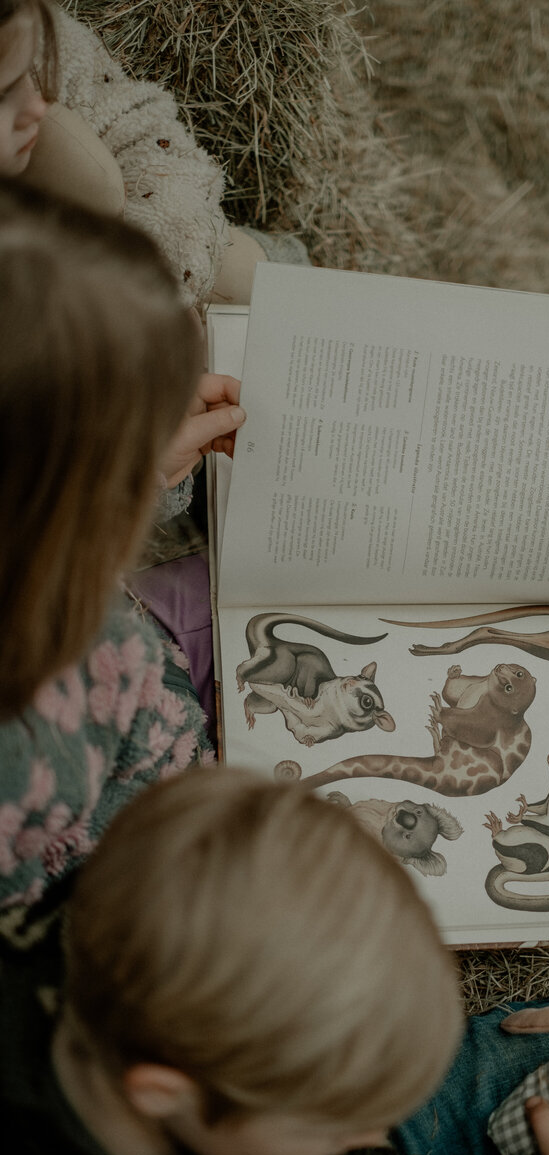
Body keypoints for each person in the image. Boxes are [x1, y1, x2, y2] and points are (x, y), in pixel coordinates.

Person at [0, 765, 549, 1155]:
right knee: (504, 1112)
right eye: (339, 1123)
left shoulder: (99, 921)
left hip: (262, 1105)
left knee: (527, 1058)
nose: (368, 1128)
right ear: (162, 1092)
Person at [0, 177, 245, 907]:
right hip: (169, 844)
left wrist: (142, 468)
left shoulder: (34, 560)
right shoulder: (30, 762)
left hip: (152, 681)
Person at [0, 0, 307, 311]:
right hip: (77, 324)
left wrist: (171, 284)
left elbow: (138, 126)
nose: (37, 106)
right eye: (1, 95)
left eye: (25, 72)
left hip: (166, 256)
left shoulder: (29, 27)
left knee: (293, 288)